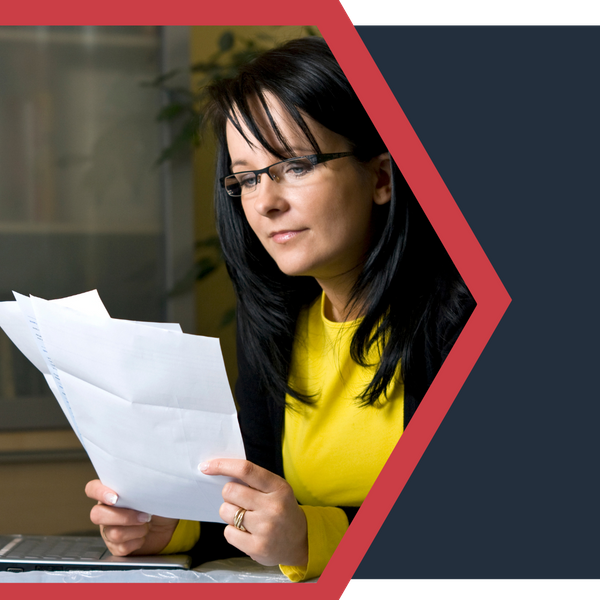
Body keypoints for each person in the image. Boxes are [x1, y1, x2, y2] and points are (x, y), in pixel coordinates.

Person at [85, 36, 475, 581]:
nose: (265, 202)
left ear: (381, 177)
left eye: (295, 165)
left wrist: (314, 537)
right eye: (245, 178)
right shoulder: (277, 323)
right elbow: (261, 496)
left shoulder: (468, 318)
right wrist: (173, 527)